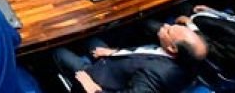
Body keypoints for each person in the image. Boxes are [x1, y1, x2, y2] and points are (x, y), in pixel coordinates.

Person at [52, 23, 208, 93]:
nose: (165, 26)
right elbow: (144, 53)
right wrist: (114, 52)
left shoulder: (154, 76)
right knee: (88, 37)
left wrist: (93, 88)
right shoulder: (191, 58)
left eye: (169, 30)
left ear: (172, 48)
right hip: (116, 61)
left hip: (98, 79)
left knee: (58, 52)